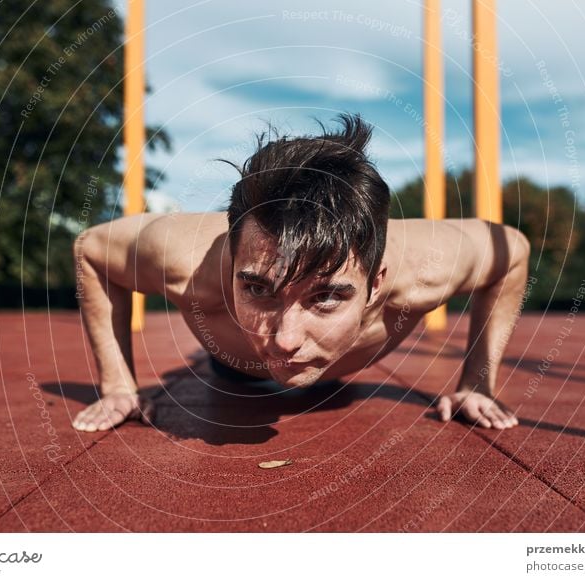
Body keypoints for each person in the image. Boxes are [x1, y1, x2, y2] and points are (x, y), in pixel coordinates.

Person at [71, 114, 529, 433]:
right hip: (234, 370)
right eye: (257, 288)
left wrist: (477, 382)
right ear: (231, 261)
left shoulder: (427, 269)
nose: (285, 339)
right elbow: (90, 249)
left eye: (326, 297)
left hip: (339, 378)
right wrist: (117, 385)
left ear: (377, 281)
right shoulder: (182, 259)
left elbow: (514, 250)